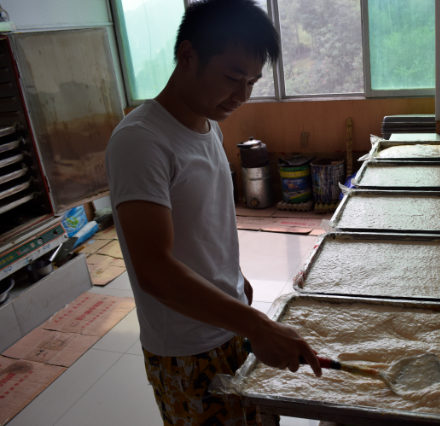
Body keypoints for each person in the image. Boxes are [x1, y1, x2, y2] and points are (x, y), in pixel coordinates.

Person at [105, 1, 321, 425]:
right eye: (232, 77)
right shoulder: (140, 142)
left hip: (229, 319)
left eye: (252, 82)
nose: (242, 96)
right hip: (188, 346)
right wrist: (257, 325)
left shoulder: (208, 126)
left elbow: (204, 221)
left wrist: (234, 281)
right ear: (187, 55)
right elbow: (154, 271)